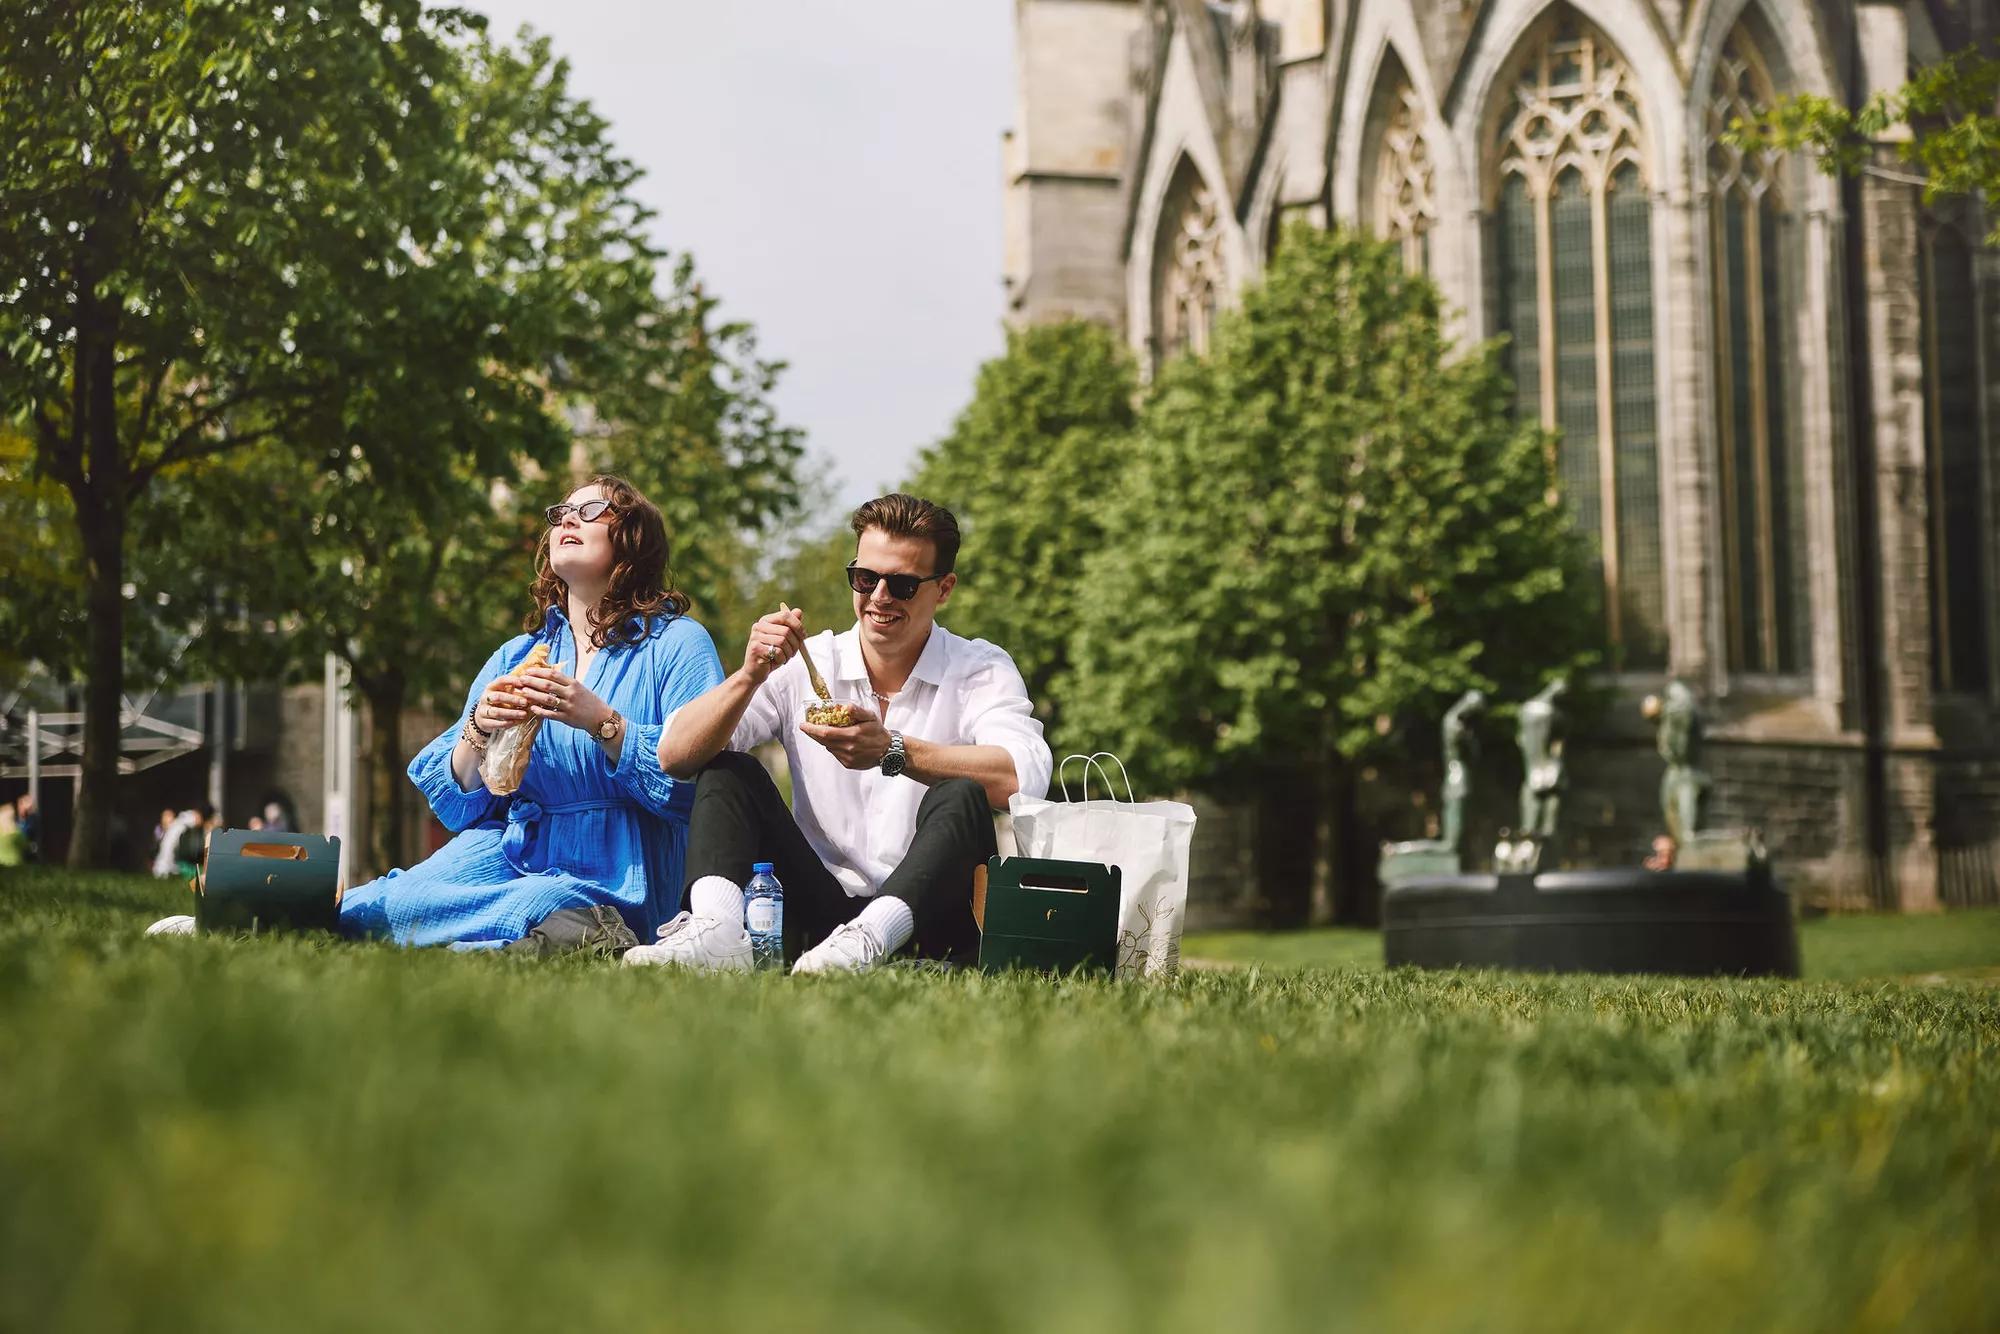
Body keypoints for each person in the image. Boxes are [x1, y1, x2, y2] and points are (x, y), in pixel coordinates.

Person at [149, 475, 724, 947]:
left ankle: (591, 932)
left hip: (617, 866)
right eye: (560, 513)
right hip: (511, 848)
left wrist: (604, 723)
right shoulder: (516, 655)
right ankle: (229, 924)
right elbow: (457, 800)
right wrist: (480, 729)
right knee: (395, 897)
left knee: (530, 906)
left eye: (592, 508)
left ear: (633, 540)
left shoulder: (676, 644)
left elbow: (696, 791)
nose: (566, 519)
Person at [624, 492, 1052, 974]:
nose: (879, 597)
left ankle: (872, 939)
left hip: (926, 917)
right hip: (818, 913)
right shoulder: (810, 663)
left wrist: (894, 750)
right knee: (728, 768)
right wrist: (748, 676)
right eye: (865, 578)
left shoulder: (980, 667)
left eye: (903, 584)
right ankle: (715, 931)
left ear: (944, 588)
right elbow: (675, 757)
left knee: (960, 794)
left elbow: (1024, 777)